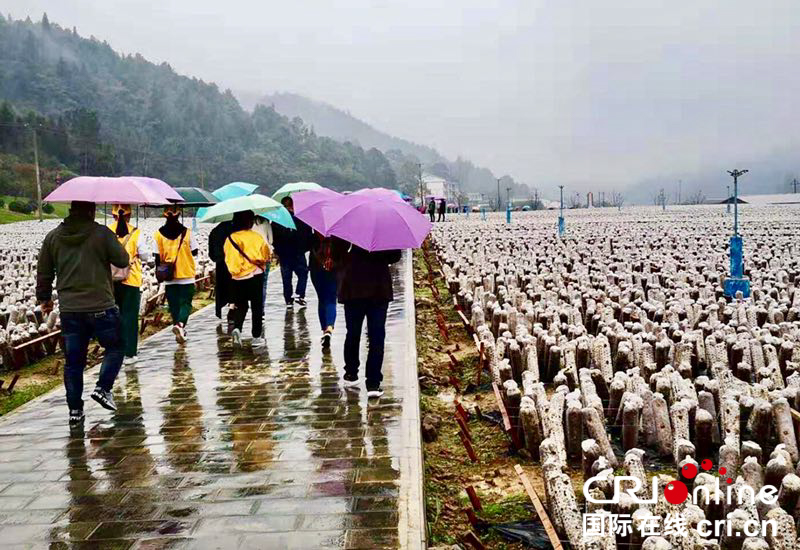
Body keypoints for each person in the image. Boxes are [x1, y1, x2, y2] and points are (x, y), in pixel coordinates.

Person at [36, 201, 129, 425]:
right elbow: (123, 260)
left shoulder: (52, 237)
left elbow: (44, 272)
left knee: (73, 362)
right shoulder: (101, 233)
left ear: (70, 210)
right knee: (116, 347)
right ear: (91, 211)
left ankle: (75, 411)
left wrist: (45, 299)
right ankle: (103, 387)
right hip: (101, 306)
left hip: (70, 309)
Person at [334, 240, 402, 398]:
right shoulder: (384, 228)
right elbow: (394, 256)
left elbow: (337, 253)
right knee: (376, 336)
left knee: (353, 333)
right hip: (378, 288)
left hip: (353, 287)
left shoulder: (344, 228)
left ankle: (351, 373)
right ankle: (373, 382)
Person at [108, 204, 151, 363]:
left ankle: (114, 350)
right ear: (129, 215)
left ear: (113, 215)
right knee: (130, 316)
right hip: (131, 279)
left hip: (110, 280)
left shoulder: (107, 231)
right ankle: (130, 353)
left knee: (113, 316)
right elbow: (145, 255)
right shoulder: (136, 232)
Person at [153, 205, 198, 344]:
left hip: (168, 276)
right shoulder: (187, 232)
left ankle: (180, 330)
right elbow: (195, 251)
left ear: (165, 215)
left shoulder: (158, 234)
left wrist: (159, 274)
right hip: (186, 274)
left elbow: (156, 256)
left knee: (174, 305)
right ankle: (180, 325)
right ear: (179, 215)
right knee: (186, 303)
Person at [224, 210, 269, 346]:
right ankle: (256, 336)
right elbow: (266, 254)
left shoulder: (231, 238)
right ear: (250, 221)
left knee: (241, 305)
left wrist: (238, 271)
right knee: (256, 306)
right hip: (256, 274)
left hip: (238, 277)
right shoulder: (257, 237)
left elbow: (229, 258)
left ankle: (237, 328)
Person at [272, 196, 311, 308]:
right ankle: (300, 294)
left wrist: (278, 251)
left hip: (284, 254)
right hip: (298, 252)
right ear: (293, 205)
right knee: (303, 273)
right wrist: (304, 248)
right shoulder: (301, 218)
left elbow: (274, 239)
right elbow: (307, 235)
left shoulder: (277, 221)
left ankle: (288, 300)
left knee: (286, 278)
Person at [309, 230, 337, 349]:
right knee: (331, 298)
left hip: (316, 264)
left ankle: (324, 330)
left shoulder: (313, 226)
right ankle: (329, 328)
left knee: (321, 298)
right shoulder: (338, 228)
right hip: (334, 265)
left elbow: (305, 244)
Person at [208, 219, 235, 329]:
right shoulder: (237, 231)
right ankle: (232, 311)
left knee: (223, 288)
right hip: (235, 264)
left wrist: (218, 259)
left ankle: (224, 307)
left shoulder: (215, 232)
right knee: (234, 288)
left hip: (221, 265)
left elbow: (211, 254)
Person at [252, 215, 274, 323]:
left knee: (253, 283)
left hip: (252, 257)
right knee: (263, 284)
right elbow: (271, 240)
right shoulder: (266, 223)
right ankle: (261, 311)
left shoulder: (249, 224)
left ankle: (254, 309)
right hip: (265, 256)